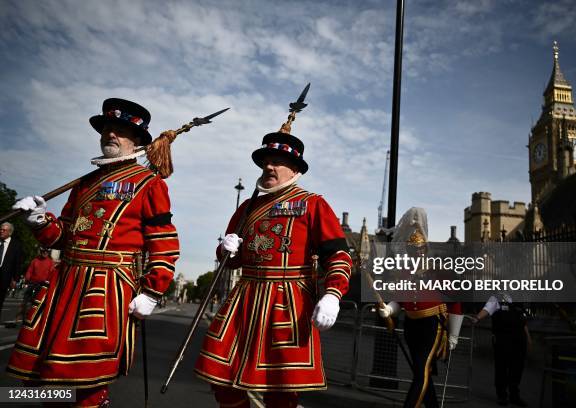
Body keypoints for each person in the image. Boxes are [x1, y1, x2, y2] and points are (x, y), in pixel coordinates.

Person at [8, 98, 180, 407]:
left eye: (120, 131)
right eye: (107, 129)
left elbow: (164, 242)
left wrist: (153, 291)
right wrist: (39, 220)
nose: (110, 135)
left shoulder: (149, 183)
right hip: (64, 284)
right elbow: (62, 235)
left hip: (106, 288)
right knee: (46, 376)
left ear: (138, 141)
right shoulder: (85, 183)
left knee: (85, 381)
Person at [194, 107, 353, 407]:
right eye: (267, 161)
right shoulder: (246, 208)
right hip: (244, 299)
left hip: (288, 303)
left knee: (281, 391)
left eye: (279, 162)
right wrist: (225, 250)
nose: (270, 167)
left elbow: (339, 255)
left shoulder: (313, 204)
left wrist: (333, 294)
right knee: (224, 381)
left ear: (295, 171)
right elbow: (231, 261)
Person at [378, 207, 463, 408]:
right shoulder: (405, 271)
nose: (414, 253)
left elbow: (455, 299)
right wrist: (389, 310)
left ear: (424, 249)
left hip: (432, 325)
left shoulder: (437, 268)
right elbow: (400, 299)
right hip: (411, 325)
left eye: (418, 250)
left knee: (421, 371)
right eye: (411, 250)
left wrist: (454, 334)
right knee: (420, 371)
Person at [475, 294, 530, 407]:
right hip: (502, 339)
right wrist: (476, 318)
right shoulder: (496, 298)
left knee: (517, 368)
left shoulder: (519, 299)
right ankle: (502, 396)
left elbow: (523, 321)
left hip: (519, 339)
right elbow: (486, 310)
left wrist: (528, 337)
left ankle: (514, 396)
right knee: (502, 367)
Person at [16, 247, 55, 325]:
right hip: (32, 283)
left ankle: (36, 319)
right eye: (43, 251)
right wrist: (27, 278)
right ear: (41, 252)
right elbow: (29, 271)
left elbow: (52, 273)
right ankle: (20, 317)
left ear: (49, 253)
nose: (45, 253)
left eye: (47, 252)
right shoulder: (35, 261)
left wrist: (48, 281)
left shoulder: (51, 262)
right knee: (25, 301)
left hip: (42, 285)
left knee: (39, 303)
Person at [0, 222, 23, 322]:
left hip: (4, 277)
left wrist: (15, 279)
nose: (1, 231)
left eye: (4, 230)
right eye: (1, 229)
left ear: (10, 232)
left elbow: (17, 263)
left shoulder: (16, 245)